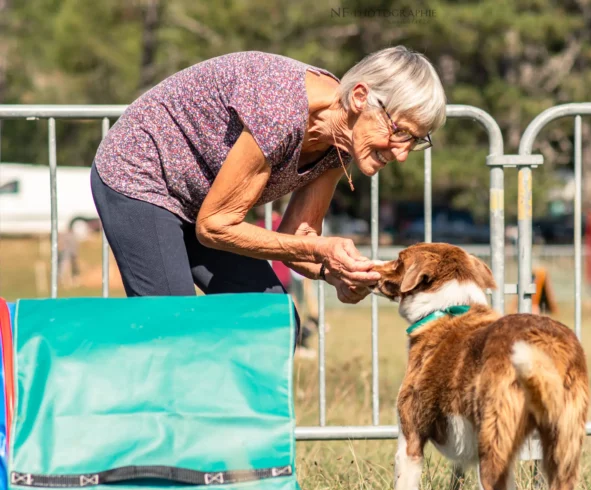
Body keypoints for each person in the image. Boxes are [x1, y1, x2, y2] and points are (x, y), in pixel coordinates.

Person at [89, 46, 447, 340]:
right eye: (401, 132)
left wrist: (332, 273)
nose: (401, 153)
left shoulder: (341, 142)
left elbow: (295, 238)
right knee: (174, 330)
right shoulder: (283, 110)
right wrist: (320, 249)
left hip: (204, 207)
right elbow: (215, 226)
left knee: (274, 324)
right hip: (142, 176)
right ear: (359, 97)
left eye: (415, 142)